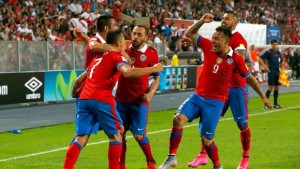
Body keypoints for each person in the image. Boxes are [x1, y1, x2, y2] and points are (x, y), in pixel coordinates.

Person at [158, 13, 272, 169]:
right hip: (201, 95)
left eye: (227, 19)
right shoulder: (210, 45)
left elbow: (245, 67)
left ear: (234, 25)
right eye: (223, 18)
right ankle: (193, 156)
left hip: (234, 89)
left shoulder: (237, 44)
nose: (224, 20)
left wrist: (263, 97)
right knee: (181, 121)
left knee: (239, 124)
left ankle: (244, 158)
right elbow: (192, 34)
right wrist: (201, 23)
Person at [63, 29, 163, 169]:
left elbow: (78, 81)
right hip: (103, 99)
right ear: (118, 43)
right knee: (117, 136)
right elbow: (127, 72)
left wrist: (74, 93)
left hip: (85, 99)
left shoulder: (97, 57)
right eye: (123, 40)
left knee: (81, 138)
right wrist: (152, 69)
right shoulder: (117, 56)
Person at [71, 15, 121, 144]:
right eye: (114, 24)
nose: (117, 27)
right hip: (90, 91)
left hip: (95, 93)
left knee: (84, 135)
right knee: (83, 135)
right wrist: (118, 49)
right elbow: (93, 46)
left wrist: (84, 37)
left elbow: (95, 44)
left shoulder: (100, 42)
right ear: (106, 28)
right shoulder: (95, 41)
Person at [115, 25, 160, 169]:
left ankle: (150, 161)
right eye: (134, 33)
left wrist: (151, 93)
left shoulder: (151, 53)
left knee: (139, 136)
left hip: (139, 102)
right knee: (119, 135)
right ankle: (121, 166)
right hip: (121, 101)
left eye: (139, 34)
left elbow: (156, 77)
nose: (135, 37)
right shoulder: (124, 48)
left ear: (146, 37)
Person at [259, 39, 283, 109]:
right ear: (271, 44)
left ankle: (275, 104)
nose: (275, 45)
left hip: (277, 72)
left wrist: (281, 69)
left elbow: (280, 62)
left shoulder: (278, 53)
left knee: (277, 87)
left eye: (276, 44)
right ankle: (265, 104)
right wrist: (265, 66)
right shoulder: (268, 52)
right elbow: (260, 58)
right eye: (274, 44)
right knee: (270, 87)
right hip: (271, 71)